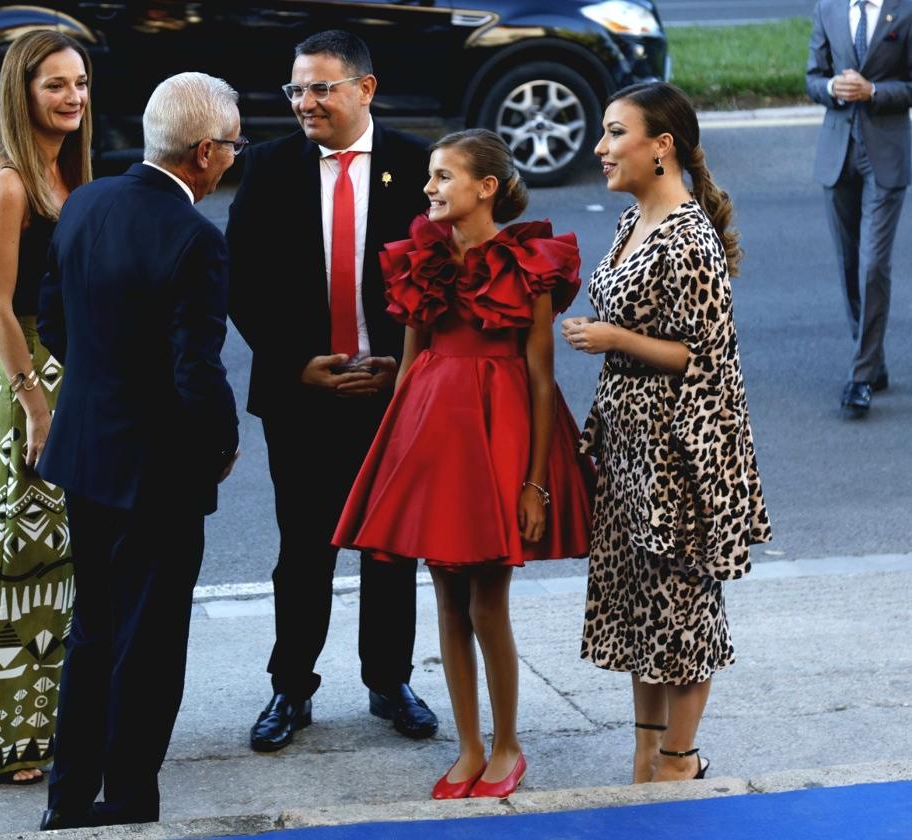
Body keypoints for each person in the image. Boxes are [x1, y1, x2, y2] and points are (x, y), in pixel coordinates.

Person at [334, 129, 593, 799]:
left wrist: (534, 482)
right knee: (445, 598)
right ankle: (470, 745)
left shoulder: (531, 264)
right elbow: (411, 364)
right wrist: (397, 460)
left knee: (487, 602)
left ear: (486, 188)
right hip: (431, 439)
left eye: (443, 176)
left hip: (498, 438)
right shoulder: (420, 258)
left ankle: (508, 744)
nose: (429, 188)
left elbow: (541, 380)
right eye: (429, 176)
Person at [35, 72, 241, 830]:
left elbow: (54, 322)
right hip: (158, 470)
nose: (232, 158)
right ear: (205, 152)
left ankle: (67, 794)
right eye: (233, 145)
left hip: (85, 452)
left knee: (93, 629)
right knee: (150, 643)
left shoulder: (85, 201)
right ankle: (125, 799)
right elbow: (197, 371)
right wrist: (220, 442)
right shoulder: (196, 239)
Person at [226, 29, 438, 753]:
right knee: (304, 549)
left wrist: (401, 367)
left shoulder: (417, 167)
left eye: (321, 87)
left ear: (365, 90)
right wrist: (295, 363)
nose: (305, 102)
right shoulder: (268, 166)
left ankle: (389, 680)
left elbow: (444, 281)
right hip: (302, 395)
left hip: (393, 395)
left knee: (389, 549)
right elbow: (242, 283)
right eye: (296, 89)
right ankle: (291, 687)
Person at [562, 82, 771, 784]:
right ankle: (645, 756)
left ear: (662, 146)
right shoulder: (633, 222)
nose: (601, 147)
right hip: (629, 447)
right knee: (641, 607)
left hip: (676, 454)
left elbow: (705, 356)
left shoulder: (689, 237)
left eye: (615, 133)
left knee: (680, 612)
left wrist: (613, 335)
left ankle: (679, 763)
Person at [0, 30, 92, 785]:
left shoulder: (65, 172)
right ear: (21, 93)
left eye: (80, 83)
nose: (72, 97)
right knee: (18, 556)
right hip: (25, 380)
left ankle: (46, 724)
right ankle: (0, 738)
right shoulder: (6, 182)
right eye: (55, 85)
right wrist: (37, 406)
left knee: (58, 559)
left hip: (69, 375)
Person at [806, 0, 912, 418]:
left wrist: (873, 91)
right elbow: (812, 79)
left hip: (886, 157)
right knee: (849, 264)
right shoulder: (829, 9)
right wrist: (831, 89)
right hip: (838, 155)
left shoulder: (911, 12)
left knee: (874, 265)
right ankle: (873, 360)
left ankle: (860, 377)